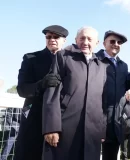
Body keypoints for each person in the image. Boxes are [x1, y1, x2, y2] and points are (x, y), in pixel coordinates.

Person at [42, 26, 106, 160]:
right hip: (65, 127)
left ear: (97, 43)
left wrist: (101, 130)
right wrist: (51, 128)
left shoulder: (102, 66)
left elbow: (102, 101)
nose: (86, 42)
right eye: (82, 38)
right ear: (76, 40)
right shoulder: (63, 57)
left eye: (89, 39)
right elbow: (52, 92)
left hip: (92, 131)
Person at [14, 25, 68, 160]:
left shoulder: (71, 61)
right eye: (49, 37)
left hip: (62, 121)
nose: (52, 40)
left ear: (64, 40)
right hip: (34, 119)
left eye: (56, 37)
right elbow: (22, 89)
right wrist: (41, 84)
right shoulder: (31, 58)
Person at [95, 30, 129, 160]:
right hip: (94, 117)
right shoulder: (94, 60)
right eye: (112, 41)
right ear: (104, 43)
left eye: (119, 42)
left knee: (111, 156)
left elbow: (126, 85)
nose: (116, 44)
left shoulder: (123, 66)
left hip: (115, 120)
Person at [120, 90, 130, 160]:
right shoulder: (123, 103)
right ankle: (123, 157)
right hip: (124, 130)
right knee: (123, 147)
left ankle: (129, 157)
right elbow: (120, 113)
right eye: (128, 95)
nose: (129, 96)